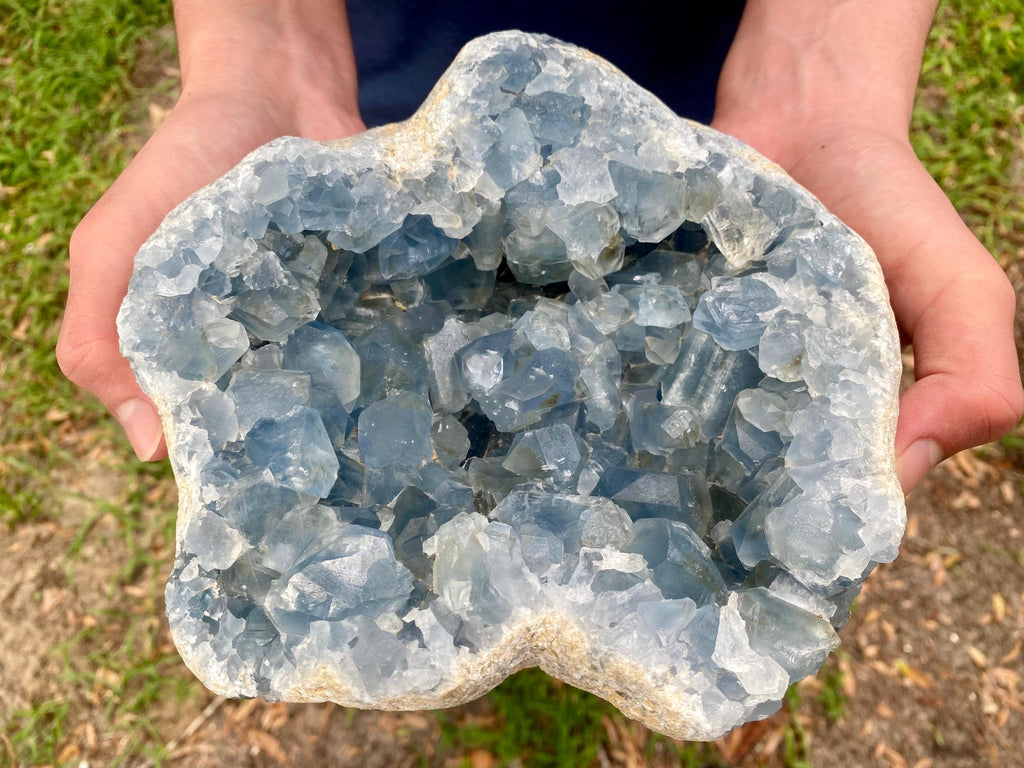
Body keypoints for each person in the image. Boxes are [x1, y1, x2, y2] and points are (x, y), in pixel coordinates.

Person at [56, 0, 1023, 493]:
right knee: (418, 211)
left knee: (660, 215)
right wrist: (262, 50)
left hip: (710, 80)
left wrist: (826, 76)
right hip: (384, 57)